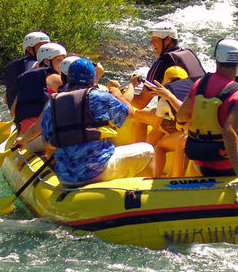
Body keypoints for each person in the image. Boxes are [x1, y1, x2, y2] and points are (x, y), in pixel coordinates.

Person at [175, 38, 238, 200]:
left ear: (216, 60)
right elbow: (229, 132)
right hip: (226, 168)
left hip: (200, 162)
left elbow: (181, 116)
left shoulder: (199, 84)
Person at [39, 58, 153, 186]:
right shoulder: (99, 97)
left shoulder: (53, 102)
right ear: (92, 77)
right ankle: (147, 190)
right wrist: (117, 94)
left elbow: (47, 142)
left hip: (64, 176)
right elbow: (130, 114)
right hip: (97, 171)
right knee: (148, 149)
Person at [10, 42, 67, 153]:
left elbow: (13, 113)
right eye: (59, 60)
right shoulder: (56, 79)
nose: (62, 63)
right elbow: (79, 97)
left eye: (63, 60)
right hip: (37, 137)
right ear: (46, 61)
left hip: (25, 134)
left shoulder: (28, 78)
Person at [2, 31, 50, 109]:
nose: (46, 49)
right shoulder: (35, 65)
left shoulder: (21, 65)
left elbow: (6, 100)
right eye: (41, 46)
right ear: (29, 49)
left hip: (20, 112)